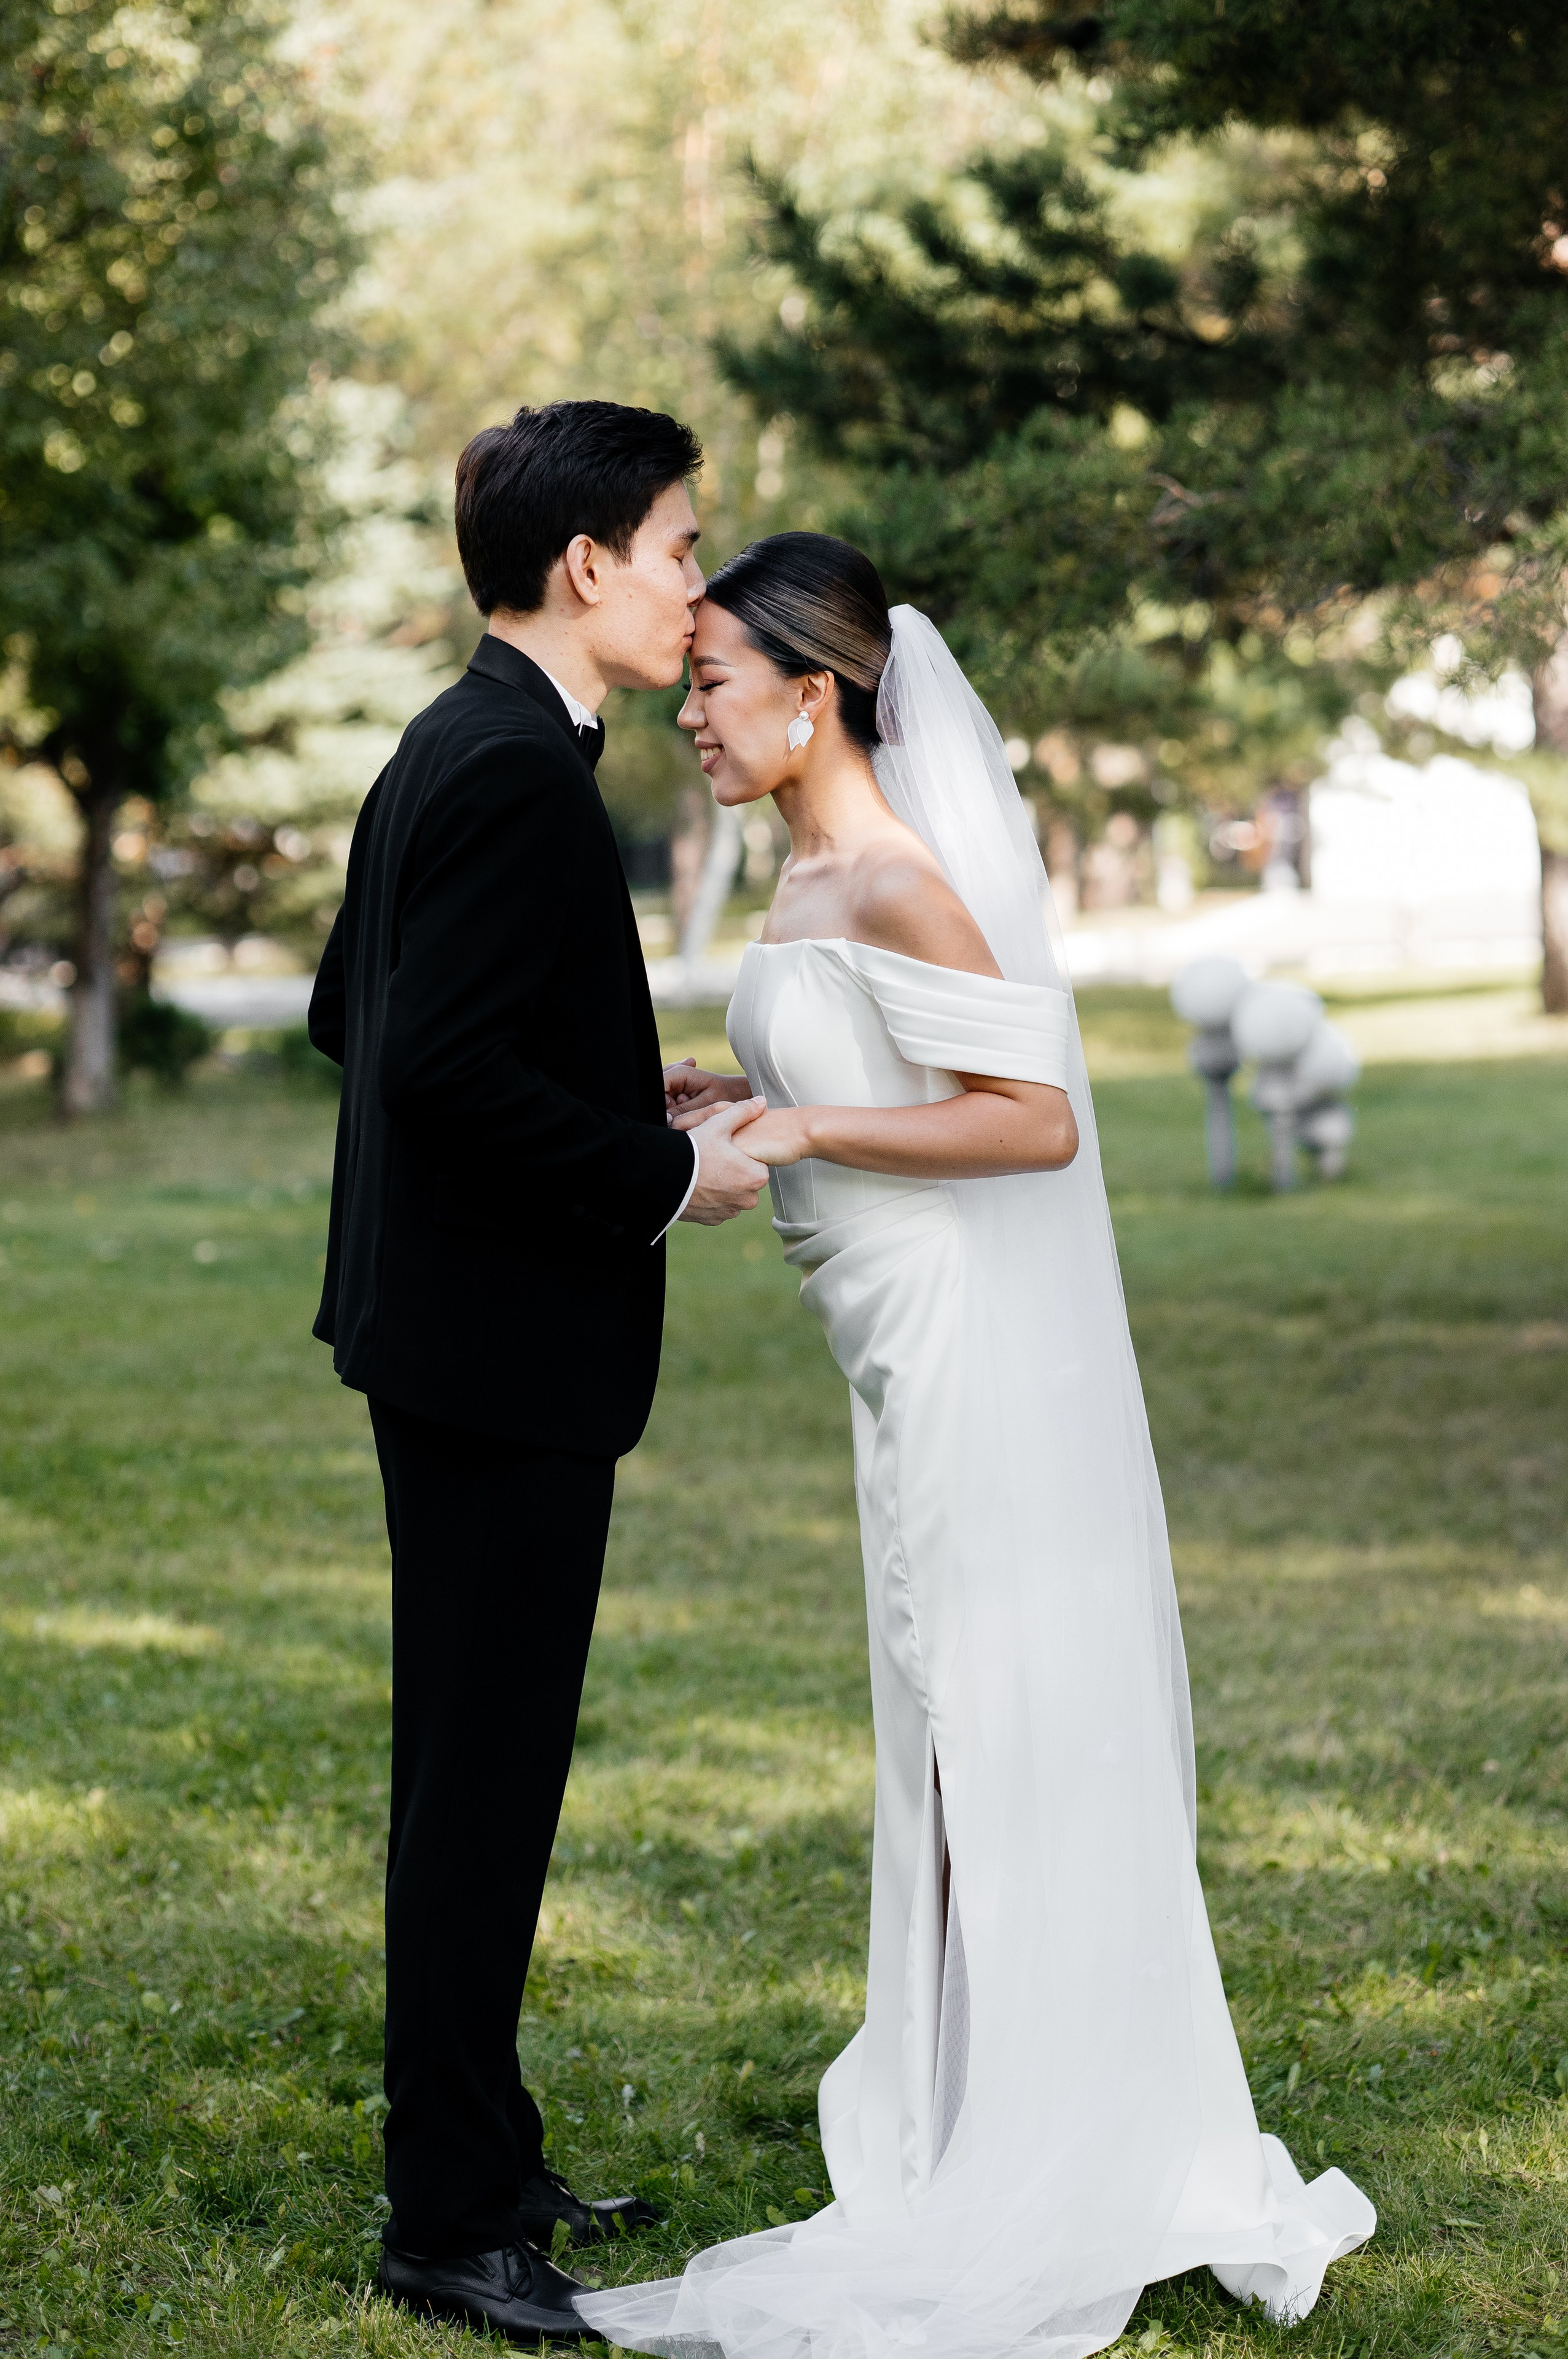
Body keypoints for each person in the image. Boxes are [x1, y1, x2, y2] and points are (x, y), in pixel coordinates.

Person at [576, 534, 1376, 2359]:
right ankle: (964, 2113)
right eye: (685, 679)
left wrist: (810, 1135)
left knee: (989, 1717)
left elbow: (1036, 1127)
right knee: (945, 1725)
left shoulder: (893, 877)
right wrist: (749, 1101)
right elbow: (869, 1080)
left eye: (710, 680)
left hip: (967, 1361)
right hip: (893, 1360)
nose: (685, 711)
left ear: (813, 688)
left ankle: (1046, 2141)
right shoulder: (804, 878)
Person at [306, 401, 769, 2346]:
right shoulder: (514, 771)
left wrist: (601, 1088)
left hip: (452, 1344)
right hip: (501, 1364)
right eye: (677, 549)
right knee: (485, 1791)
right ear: (585, 566)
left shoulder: (457, 739)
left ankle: (484, 2150)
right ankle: (447, 2221)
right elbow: (423, 1062)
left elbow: (359, 1008)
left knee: (470, 1773)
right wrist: (664, 1169)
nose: (692, 586)